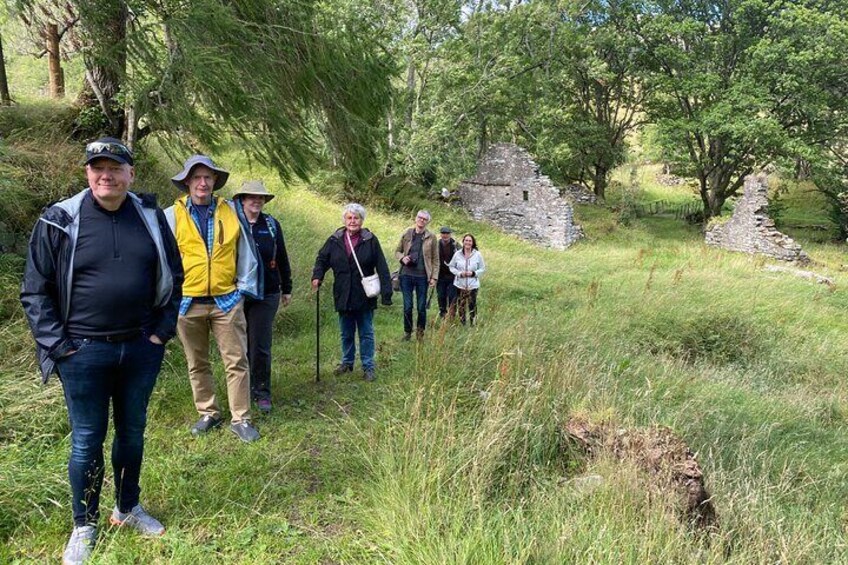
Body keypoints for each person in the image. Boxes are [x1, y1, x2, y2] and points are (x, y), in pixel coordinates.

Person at [20, 138, 184, 565]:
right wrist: (60, 347)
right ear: (87, 173)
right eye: (97, 167)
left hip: (140, 346)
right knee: (87, 440)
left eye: (115, 167)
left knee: (132, 433)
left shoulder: (150, 217)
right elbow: (35, 291)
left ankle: (127, 507)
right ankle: (84, 524)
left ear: (131, 173)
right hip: (82, 353)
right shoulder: (59, 220)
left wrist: (161, 333)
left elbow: (175, 276)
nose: (105, 175)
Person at [164, 155, 261, 443]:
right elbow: (163, 257)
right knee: (197, 362)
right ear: (187, 183)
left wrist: (241, 289)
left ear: (215, 182)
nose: (203, 183)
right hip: (187, 302)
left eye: (208, 177)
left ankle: (241, 418)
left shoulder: (232, 211)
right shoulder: (171, 215)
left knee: (237, 361)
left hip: (226, 301)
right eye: (197, 178)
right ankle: (209, 413)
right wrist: (169, 294)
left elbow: (245, 250)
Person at [311, 203, 392, 381]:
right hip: (343, 293)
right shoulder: (335, 239)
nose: (352, 221)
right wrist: (318, 275)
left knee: (366, 332)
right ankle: (347, 363)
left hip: (363, 294)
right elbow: (322, 258)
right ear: (344, 220)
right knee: (346, 332)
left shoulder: (370, 239)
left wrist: (386, 293)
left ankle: (368, 366)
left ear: (362, 220)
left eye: (356, 218)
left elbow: (382, 266)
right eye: (349, 217)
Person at [232, 180, 292, 413]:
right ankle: (241, 390)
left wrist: (287, 287)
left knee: (260, 344)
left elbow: (283, 257)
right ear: (242, 200)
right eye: (251, 197)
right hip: (237, 292)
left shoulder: (271, 224)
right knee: (238, 345)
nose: (256, 200)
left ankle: (262, 391)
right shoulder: (233, 223)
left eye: (260, 197)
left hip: (267, 293)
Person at [394, 209, 438, 340]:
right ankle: (407, 333)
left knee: (421, 307)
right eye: (420, 217)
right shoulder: (407, 233)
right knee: (407, 306)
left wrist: (434, 277)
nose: (421, 220)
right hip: (406, 275)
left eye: (424, 219)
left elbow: (436, 259)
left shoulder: (432, 237)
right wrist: (403, 258)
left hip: (422, 276)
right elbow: (397, 251)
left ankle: (420, 333)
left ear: (427, 221)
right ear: (415, 218)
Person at [449, 233, 486, 326]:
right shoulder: (457, 254)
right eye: (466, 240)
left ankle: (473, 324)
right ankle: (463, 324)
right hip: (459, 284)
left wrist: (473, 273)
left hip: (472, 285)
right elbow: (451, 266)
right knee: (461, 305)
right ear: (463, 242)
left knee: (472, 305)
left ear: (473, 243)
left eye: (470, 241)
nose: (468, 242)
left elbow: (482, 268)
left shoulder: (477, 254)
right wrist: (459, 273)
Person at [436, 226, 459, 318]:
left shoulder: (456, 245)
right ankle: (443, 314)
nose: (445, 235)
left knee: (452, 297)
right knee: (441, 295)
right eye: (443, 233)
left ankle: (452, 316)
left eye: (447, 233)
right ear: (441, 234)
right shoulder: (436, 245)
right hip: (440, 275)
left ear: (450, 234)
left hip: (453, 276)